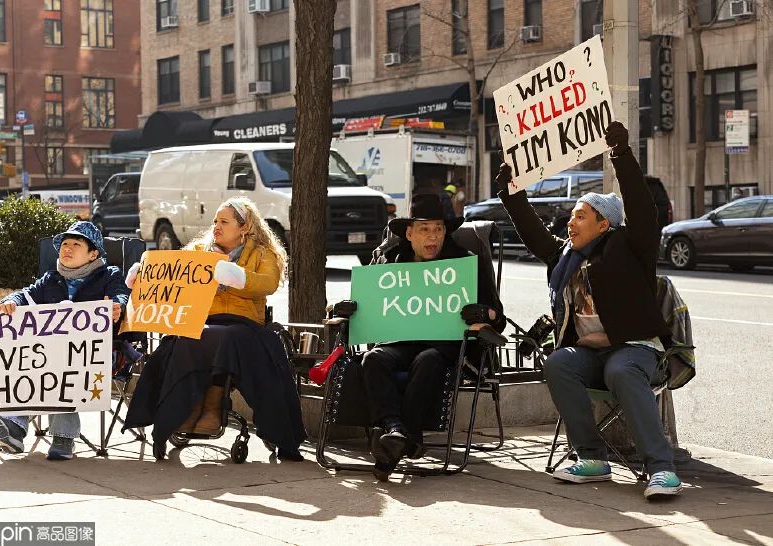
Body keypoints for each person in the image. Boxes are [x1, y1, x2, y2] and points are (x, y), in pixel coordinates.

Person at [495, 121, 681, 500]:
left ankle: (661, 469)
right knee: (559, 363)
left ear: (604, 224)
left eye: (580, 216)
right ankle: (592, 458)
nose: (570, 222)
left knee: (621, 370)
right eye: (572, 216)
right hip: (589, 354)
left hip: (635, 349)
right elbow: (535, 235)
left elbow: (644, 210)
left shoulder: (631, 247)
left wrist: (622, 155)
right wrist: (512, 194)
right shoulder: (566, 257)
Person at [334, 193, 506, 481]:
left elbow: (498, 318)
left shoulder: (464, 264)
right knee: (373, 359)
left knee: (428, 360)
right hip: (399, 343)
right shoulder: (390, 262)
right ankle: (397, 431)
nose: (433, 236)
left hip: (446, 346)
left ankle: (399, 438)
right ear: (409, 233)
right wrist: (348, 307)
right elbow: (368, 305)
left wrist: (484, 313)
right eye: (425, 229)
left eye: (438, 228)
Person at [123, 197, 306, 462]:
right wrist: (144, 273)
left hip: (242, 324)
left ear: (244, 227)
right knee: (185, 338)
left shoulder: (263, 254)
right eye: (215, 221)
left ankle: (207, 407)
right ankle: (182, 414)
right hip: (200, 321)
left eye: (224, 221)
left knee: (223, 336)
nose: (216, 226)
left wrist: (233, 275)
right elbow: (170, 274)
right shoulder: (198, 249)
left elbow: (267, 284)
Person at [0, 221, 129, 460]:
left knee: (59, 361)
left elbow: (121, 296)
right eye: (64, 244)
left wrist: (117, 307)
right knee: (36, 359)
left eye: (75, 244)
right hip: (51, 356)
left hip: (99, 354)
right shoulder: (50, 280)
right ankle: (51, 435)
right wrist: (11, 301)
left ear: (93, 254)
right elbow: (23, 294)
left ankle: (17, 422)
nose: (67, 248)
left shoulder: (108, 276)